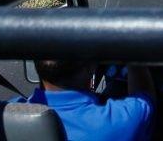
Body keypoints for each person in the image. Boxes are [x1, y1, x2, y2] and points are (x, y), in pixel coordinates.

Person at [16, 60, 155, 141]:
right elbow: (145, 98)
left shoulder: (0, 115)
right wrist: (134, 59)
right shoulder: (121, 120)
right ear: (90, 68)